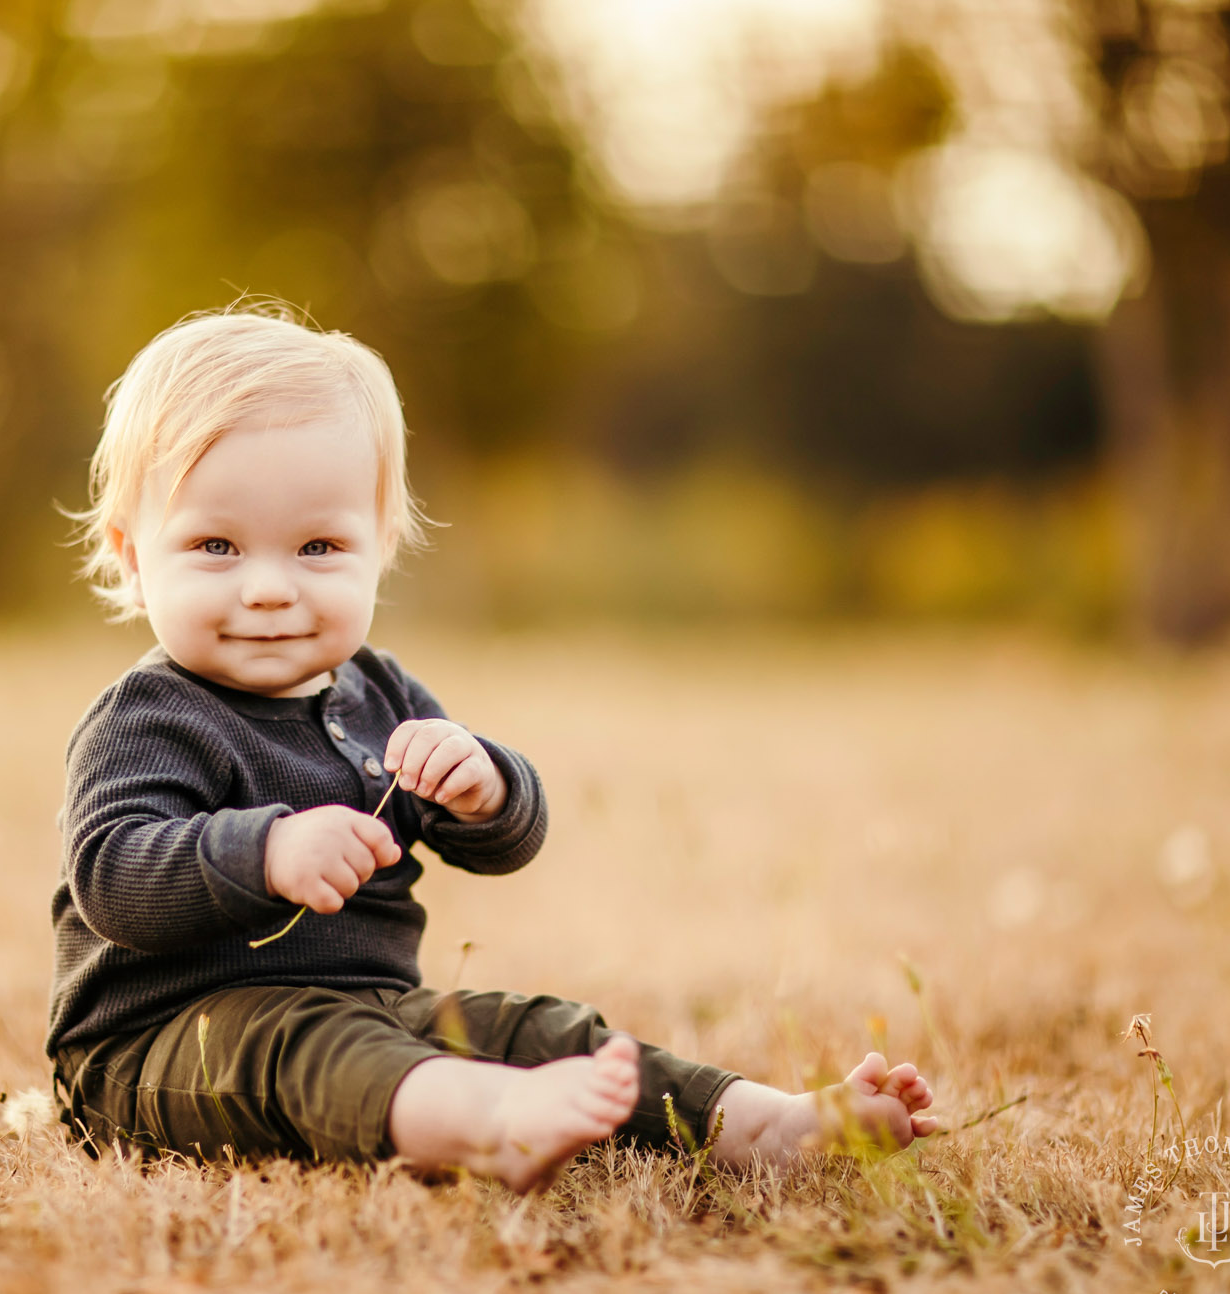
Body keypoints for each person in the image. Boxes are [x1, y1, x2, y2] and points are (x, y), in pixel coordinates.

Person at [48, 302, 936, 1190]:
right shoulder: (149, 717)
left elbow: (507, 842)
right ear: (132, 557)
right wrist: (266, 848)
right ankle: (488, 1125)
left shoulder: (381, 694)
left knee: (532, 1030)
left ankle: (759, 1122)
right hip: (161, 1044)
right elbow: (112, 878)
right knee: (312, 1045)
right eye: (216, 546)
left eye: (318, 545)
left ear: (380, 548)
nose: (272, 587)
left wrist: (488, 789)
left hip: (378, 1011)